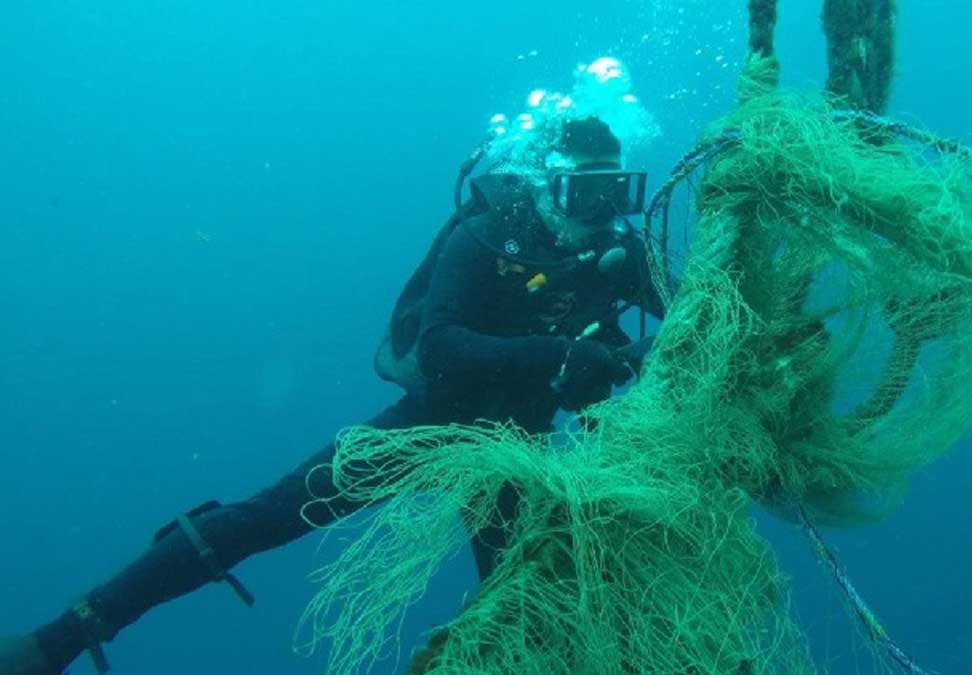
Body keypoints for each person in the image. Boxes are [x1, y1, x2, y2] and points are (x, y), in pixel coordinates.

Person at [0, 116, 665, 675]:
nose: (602, 213)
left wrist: (624, 355)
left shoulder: (618, 256)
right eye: (587, 194)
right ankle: (59, 638)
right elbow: (439, 347)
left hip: (516, 454)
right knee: (267, 516)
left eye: (616, 193)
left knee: (530, 599)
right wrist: (561, 353)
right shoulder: (484, 237)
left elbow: (691, 324)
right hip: (430, 425)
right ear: (551, 186)